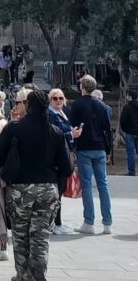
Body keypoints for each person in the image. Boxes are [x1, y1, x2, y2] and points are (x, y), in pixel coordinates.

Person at [0, 89, 71, 281]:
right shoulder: (55, 132)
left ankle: (23, 275)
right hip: (47, 189)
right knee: (41, 238)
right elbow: (67, 167)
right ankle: (38, 275)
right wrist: (57, 188)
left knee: (21, 237)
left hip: (20, 190)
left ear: (27, 105)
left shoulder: (14, 129)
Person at [68, 74, 113, 234]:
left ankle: (89, 221)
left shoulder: (78, 104)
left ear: (82, 87)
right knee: (103, 185)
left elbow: (72, 126)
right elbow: (107, 129)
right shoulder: (102, 106)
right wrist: (108, 150)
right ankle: (107, 222)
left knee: (86, 185)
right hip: (100, 147)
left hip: (85, 147)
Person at [48, 87, 79, 234]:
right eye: (55, 98)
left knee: (60, 190)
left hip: (67, 154)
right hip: (58, 158)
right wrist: (71, 134)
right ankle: (55, 222)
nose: (58, 101)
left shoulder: (63, 112)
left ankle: (58, 221)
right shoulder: (50, 114)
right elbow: (56, 134)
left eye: (60, 98)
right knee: (57, 191)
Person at [119, 90, 138, 176]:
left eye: (127, 96)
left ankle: (131, 171)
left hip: (130, 132)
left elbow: (123, 120)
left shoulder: (127, 107)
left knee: (130, 152)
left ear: (130, 97)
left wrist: (125, 129)